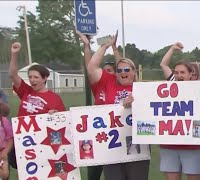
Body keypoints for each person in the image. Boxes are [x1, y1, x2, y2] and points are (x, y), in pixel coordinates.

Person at [87, 33, 149, 180]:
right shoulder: (109, 82)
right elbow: (91, 68)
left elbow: (151, 116)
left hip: (136, 146)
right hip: (112, 145)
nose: (123, 73)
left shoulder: (142, 89)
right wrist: (105, 46)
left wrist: (136, 104)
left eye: (127, 70)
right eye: (119, 70)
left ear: (134, 72)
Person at [9, 42, 66, 174]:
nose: (32, 80)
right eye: (30, 77)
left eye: (36, 77)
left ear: (45, 78)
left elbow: (61, 127)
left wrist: (55, 116)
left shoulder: (54, 99)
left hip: (42, 143)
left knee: (42, 173)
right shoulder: (26, 91)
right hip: (24, 140)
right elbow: (13, 74)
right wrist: (14, 54)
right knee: (24, 173)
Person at [77, 30, 121, 180]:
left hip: (116, 134)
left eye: (109, 71)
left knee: (114, 171)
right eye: (104, 70)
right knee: (95, 170)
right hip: (99, 131)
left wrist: (114, 49)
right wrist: (86, 46)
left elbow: (121, 66)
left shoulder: (119, 85)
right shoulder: (98, 85)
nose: (105, 73)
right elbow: (91, 66)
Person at [159, 43, 200, 180]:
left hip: (192, 145)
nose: (179, 75)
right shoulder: (172, 85)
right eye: (176, 72)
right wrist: (172, 49)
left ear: (191, 74)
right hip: (169, 144)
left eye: (183, 72)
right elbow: (163, 64)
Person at [0, 90, 12, 180]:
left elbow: (10, 138)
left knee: (5, 174)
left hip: (2, 152)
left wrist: (5, 151)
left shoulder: (4, 122)